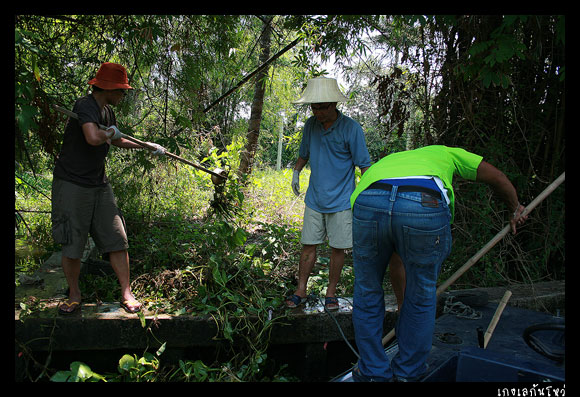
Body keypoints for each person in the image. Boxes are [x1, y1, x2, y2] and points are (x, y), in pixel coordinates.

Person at [349, 145, 528, 382]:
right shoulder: (448, 153)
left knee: (366, 289)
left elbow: (395, 257)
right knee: (422, 294)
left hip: (370, 199)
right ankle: (408, 372)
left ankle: (372, 372)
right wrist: (515, 207)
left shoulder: (390, 160)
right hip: (422, 202)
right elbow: (496, 177)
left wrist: (404, 307)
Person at [52, 62, 165, 314]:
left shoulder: (107, 112)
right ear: (110, 88)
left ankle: (126, 292)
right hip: (72, 183)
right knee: (72, 241)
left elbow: (117, 139)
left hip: (98, 184)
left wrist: (145, 145)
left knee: (117, 238)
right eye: (122, 91)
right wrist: (109, 133)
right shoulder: (85, 105)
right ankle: (74, 294)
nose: (123, 96)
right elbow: (93, 137)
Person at [285, 77, 371, 311]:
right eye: (314, 107)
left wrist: (366, 193)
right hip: (315, 198)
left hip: (342, 200)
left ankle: (330, 293)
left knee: (338, 248)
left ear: (334, 104)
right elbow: (304, 153)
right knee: (308, 245)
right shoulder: (311, 126)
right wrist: (296, 172)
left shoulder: (351, 129)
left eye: (322, 107)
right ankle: (300, 289)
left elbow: (365, 165)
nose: (318, 112)